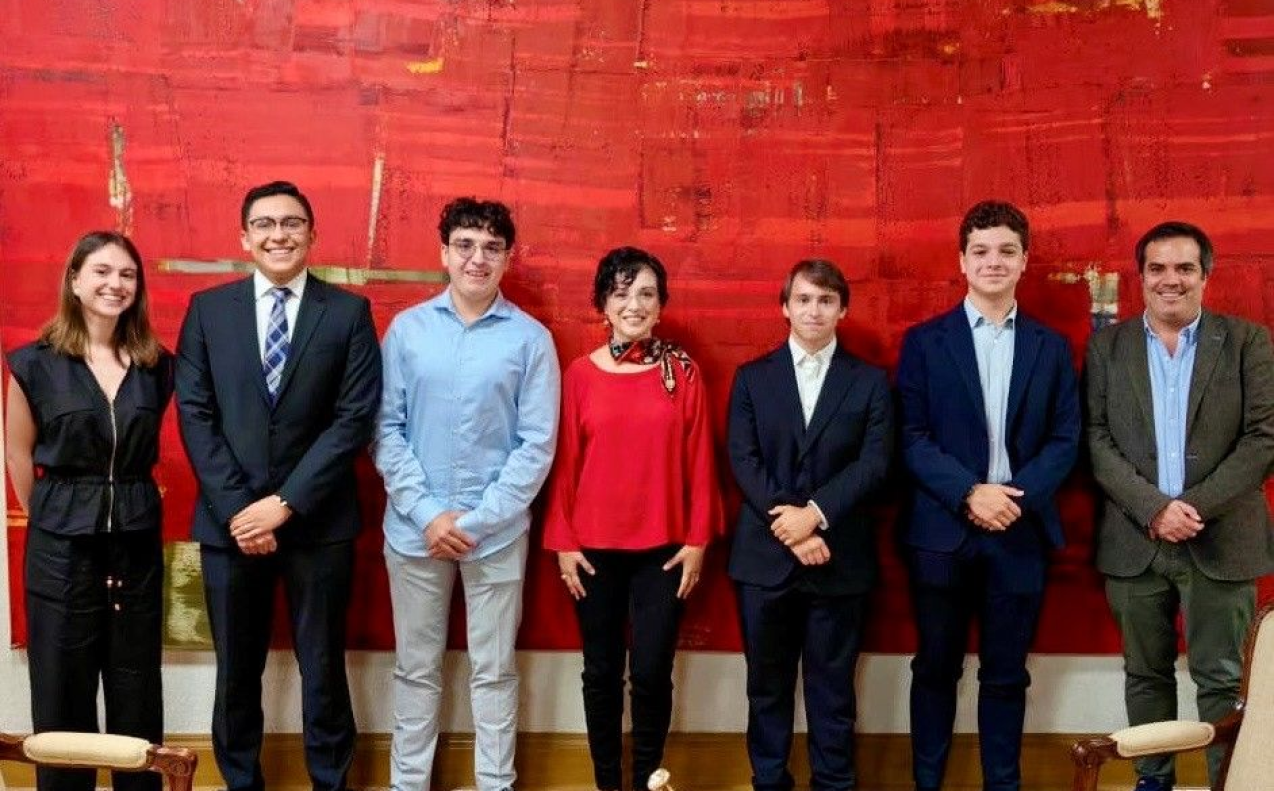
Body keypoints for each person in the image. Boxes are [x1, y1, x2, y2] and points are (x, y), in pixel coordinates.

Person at [175, 181, 381, 791]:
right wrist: (243, 510)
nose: (278, 235)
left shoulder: (348, 313)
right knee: (236, 673)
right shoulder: (208, 311)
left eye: (292, 223)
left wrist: (285, 504)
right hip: (230, 526)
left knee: (323, 669)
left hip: (319, 523)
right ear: (244, 238)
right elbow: (195, 414)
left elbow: (353, 419)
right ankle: (241, 783)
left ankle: (330, 782)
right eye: (264, 224)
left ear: (312, 234)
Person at [373, 197, 560, 791]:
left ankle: (495, 784)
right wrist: (430, 515)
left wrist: (475, 522)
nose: (477, 259)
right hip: (414, 534)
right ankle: (408, 784)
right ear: (444, 253)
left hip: (496, 537)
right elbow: (385, 429)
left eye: (491, 248)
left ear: (507, 258)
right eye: (465, 245)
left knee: (494, 671)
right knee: (415, 669)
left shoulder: (531, 340)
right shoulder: (407, 331)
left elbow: (536, 445)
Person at [897, 200, 1080, 791]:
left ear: (1024, 260)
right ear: (962, 261)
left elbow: (1065, 439)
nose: (993, 262)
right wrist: (970, 493)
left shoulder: (1051, 348)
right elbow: (911, 436)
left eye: (1006, 251)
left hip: (1019, 533)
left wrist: (1013, 500)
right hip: (943, 532)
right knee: (935, 669)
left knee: (1006, 676)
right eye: (980, 251)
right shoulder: (924, 343)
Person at [1085, 221, 1274, 791]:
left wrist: (1190, 508)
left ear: (1205, 276)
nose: (1171, 280)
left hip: (1221, 540)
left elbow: (1264, 438)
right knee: (1145, 677)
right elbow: (1096, 438)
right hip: (1134, 542)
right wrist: (1154, 509)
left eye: (1185, 268)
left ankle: (1228, 783)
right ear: (1141, 276)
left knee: (1223, 682)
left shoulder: (1248, 342)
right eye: (1158, 268)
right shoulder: (1107, 347)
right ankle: (1154, 782)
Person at [543, 246, 723, 791]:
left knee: (650, 672)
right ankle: (606, 783)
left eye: (646, 294)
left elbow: (700, 460)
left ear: (661, 305)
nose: (634, 304)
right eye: (621, 293)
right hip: (591, 550)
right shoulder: (579, 375)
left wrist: (698, 539)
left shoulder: (682, 372)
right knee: (600, 671)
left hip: (664, 549)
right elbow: (566, 462)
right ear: (603, 304)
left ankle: (648, 779)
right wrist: (563, 541)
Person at [5, 231, 171, 791]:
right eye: (101, 271)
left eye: (127, 274)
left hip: (135, 546)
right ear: (75, 281)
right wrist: (59, 513)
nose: (114, 284)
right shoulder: (34, 364)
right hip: (60, 551)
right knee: (61, 692)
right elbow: (18, 454)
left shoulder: (156, 365)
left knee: (136, 689)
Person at [726, 259, 893, 791]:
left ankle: (834, 784)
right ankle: (768, 782)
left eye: (825, 300)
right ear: (785, 307)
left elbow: (874, 464)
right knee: (766, 689)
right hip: (764, 561)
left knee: (833, 692)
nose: (814, 310)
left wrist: (815, 516)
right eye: (803, 299)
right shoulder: (752, 379)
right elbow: (743, 459)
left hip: (839, 558)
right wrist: (792, 527)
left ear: (842, 309)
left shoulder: (870, 382)